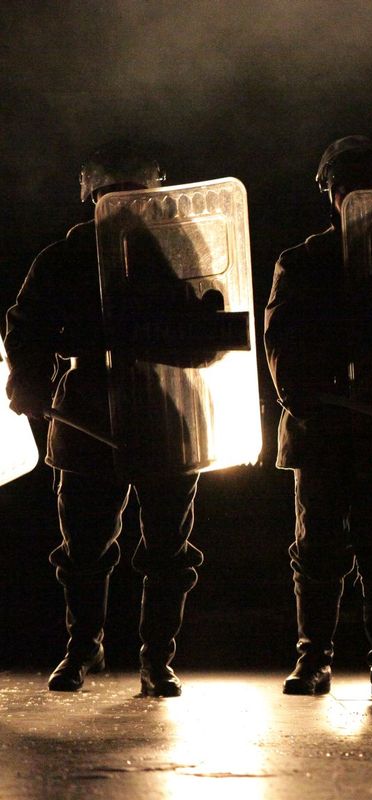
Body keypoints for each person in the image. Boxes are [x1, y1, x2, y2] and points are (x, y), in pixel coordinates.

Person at [5, 143, 202, 697]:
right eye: (113, 194)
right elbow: (26, 329)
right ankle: (82, 646)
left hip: (166, 411)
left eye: (133, 194)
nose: (123, 204)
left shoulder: (180, 250)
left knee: (167, 549)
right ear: (93, 197)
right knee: (84, 550)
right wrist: (31, 382)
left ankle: (157, 657)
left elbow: (212, 327)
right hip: (88, 413)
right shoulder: (64, 259)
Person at [265, 135, 372, 699]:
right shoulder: (303, 261)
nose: (354, 195)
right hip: (323, 429)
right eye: (345, 186)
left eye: (366, 185)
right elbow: (280, 342)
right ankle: (313, 659)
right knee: (318, 550)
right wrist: (304, 395)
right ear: (330, 193)